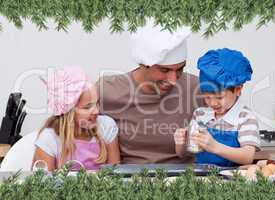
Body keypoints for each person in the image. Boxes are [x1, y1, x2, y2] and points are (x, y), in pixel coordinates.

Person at [97, 20, 205, 164]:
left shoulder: (198, 88)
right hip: (129, 180)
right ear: (143, 65)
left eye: (180, 69)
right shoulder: (107, 90)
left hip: (185, 180)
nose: (173, 80)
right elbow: (67, 126)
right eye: (164, 70)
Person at [174, 48, 261, 167]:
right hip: (201, 178)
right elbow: (184, 154)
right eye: (207, 97)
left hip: (232, 180)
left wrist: (215, 147)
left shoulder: (245, 117)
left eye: (219, 97)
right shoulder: (200, 114)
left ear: (238, 89)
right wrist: (181, 144)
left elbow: (247, 157)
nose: (213, 103)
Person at [32, 66, 120, 171]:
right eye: (87, 107)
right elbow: (42, 184)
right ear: (69, 112)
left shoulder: (106, 126)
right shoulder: (49, 139)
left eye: (97, 103)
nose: (97, 111)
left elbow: (115, 177)